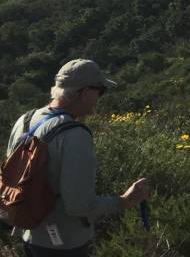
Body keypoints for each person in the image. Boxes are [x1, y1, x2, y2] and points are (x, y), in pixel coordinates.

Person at [4, 59, 152, 257]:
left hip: (29, 234)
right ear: (85, 93)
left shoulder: (25, 121)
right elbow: (79, 206)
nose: (99, 98)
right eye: (100, 91)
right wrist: (123, 201)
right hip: (64, 243)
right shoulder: (75, 135)